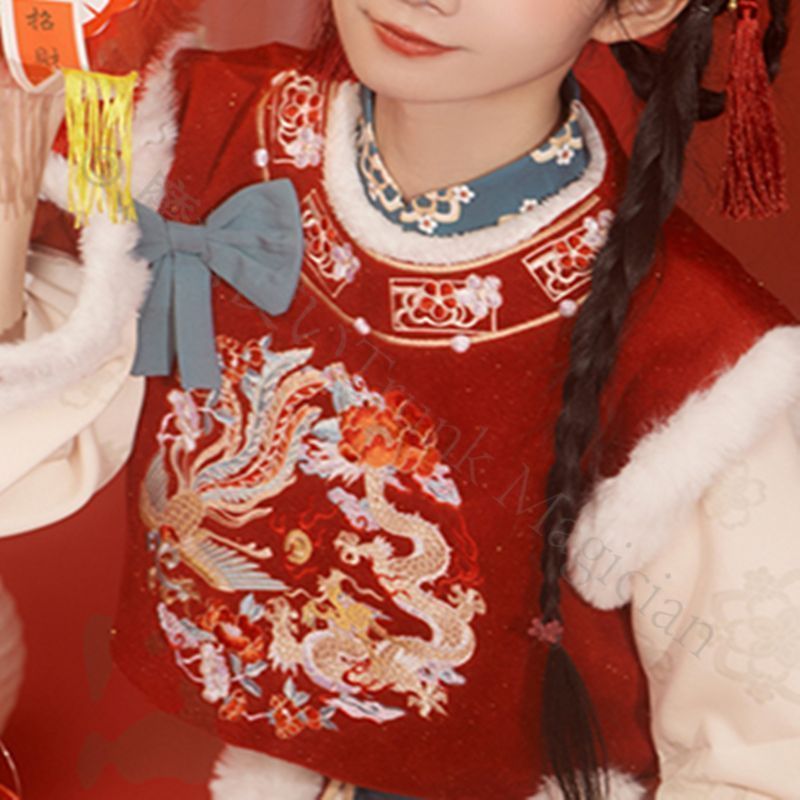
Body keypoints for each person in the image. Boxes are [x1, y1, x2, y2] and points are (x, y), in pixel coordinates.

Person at [4, 0, 800, 798]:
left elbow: (759, 760)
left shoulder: (708, 365)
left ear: (641, 7)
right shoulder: (181, 120)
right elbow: (42, 437)